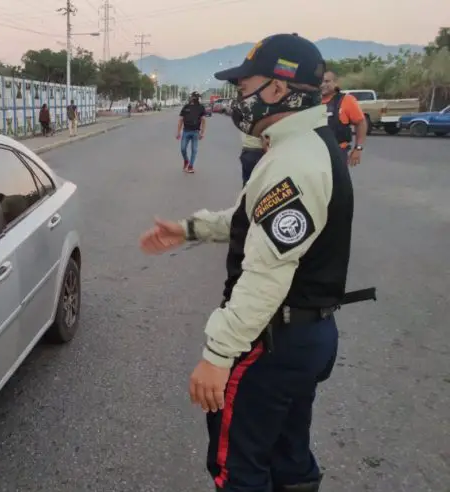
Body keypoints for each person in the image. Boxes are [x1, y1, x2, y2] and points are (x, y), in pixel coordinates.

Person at [140, 33, 365, 492]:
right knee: (288, 455)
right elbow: (252, 219)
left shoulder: (294, 163)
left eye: (244, 86)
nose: (237, 98)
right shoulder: (304, 146)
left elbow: (266, 275)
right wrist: (190, 228)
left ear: (278, 90)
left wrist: (218, 355)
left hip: (272, 342)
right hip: (305, 336)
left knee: (239, 467)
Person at [320, 71, 367, 166]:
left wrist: (358, 148)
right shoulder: (312, 102)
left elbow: (361, 123)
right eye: (320, 82)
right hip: (316, 153)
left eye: (327, 81)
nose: (323, 85)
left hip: (338, 152)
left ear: (336, 83)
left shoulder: (347, 100)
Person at [177, 91, 207, 173]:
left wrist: (202, 132)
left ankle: (191, 166)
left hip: (195, 132)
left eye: (196, 97)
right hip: (186, 131)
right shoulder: (186, 107)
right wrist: (178, 132)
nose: (194, 98)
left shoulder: (201, 107)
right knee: (183, 149)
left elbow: (203, 120)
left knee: (194, 150)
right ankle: (186, 161)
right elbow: (181, 120)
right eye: (194, 97)